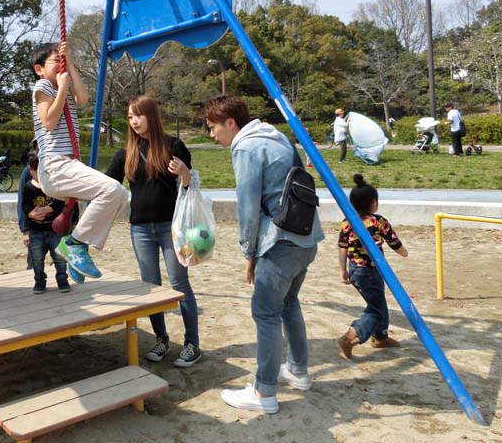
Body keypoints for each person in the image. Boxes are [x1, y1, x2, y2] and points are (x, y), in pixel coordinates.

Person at [202, 95, 324, 415]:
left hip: (279, 241)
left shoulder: (245, 147)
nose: (211, 134)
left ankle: (263, 392)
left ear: (231, 122)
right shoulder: (277, 136)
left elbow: (248, 206)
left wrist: (249, 252)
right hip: (306, 236)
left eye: (213, 127)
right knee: (288, 304)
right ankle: (297, 370)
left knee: (266, 312)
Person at [106, 95, 201, 367]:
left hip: (171, 228)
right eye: (129, 117)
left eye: (138, 115)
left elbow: (188, 189)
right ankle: (161, 340)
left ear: (151, 115)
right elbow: (107, 185)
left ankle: (192, 343)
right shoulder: (126, 153)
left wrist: (184, 173)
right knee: (150, 287)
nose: (134, 121)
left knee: (179, 283)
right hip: (140, 230)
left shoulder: (174, 146)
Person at [31, 42, 127, 281]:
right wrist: (62, 87)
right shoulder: (43, 86)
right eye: (57, 60)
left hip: (67, 165)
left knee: (122, 197)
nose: (61, 64)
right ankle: (76, 243)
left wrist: (70, 65)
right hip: (54, 165)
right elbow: (49, 122)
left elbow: (83, 99)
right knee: (112, 189)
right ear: (39, 69)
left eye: (63, 60)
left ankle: (76, 250)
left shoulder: (63, 85)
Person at [337, 174, 407, 359]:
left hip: (354, 270)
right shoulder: (377, 221)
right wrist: (404, 252)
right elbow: (393, 241)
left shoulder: (347, 223)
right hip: (369, 271)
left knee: (378, 302)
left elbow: (342, 247)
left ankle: (380, 337)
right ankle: (352, 335)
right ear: (374, 203)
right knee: (376, 309)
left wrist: (343, 270)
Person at [22, 152, 69, 294]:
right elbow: (25, 206)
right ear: (31, 171)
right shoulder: (28, 187)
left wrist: (48, 208)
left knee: (60, 258)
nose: (42, 176)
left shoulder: (53, 185)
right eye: (38, 172)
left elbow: (61, 201)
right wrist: (31, 214)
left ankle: (62, 280)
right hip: (36, 230)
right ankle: (39, 281)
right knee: (37, 259)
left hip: (55, 230)